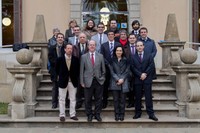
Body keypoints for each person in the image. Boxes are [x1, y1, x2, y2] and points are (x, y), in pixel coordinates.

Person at [131, 41, 158, 121]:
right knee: (138, 97)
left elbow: (151, 65)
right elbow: (132, 67)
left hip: (147, 79)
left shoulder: (149, 55)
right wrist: (140, 74)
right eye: (138, 46)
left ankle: (151, 114)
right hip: (137, 79)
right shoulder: (132, 56)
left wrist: (145, 74)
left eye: (141, 45)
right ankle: (138, 113)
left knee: (148, 97)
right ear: (135, 47)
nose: (139, 47)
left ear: (143, 46)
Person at [80, 40, 106, 122]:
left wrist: (102, 78)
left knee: (99, 99)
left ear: (96, 46)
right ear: (88, 46)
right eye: (90, 45)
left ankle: (97, 114)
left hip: (98, 81)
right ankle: (89, 114)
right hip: (87, 81)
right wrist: (82, 81)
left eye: (93, 45)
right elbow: (81, 70)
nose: (92, 46)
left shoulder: (100, 56)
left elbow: (103, 70)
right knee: (88, 99)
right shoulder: (84, 57)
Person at [56, 43, 80, 122]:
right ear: (65, 49)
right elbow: (56, 70)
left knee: (73, 99)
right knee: (62, 99)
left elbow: (78, 71)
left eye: (71, 49)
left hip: (73, 82)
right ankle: (62, 115)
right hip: (63, 82)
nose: (70, 50)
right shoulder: (60, 59)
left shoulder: (76, 59)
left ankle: (72, 114)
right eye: (68, 48)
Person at [109, 45, 130, 121]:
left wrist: (122, 79)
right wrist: (118, 79)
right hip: (115, 82)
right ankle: (117, 114)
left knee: (123, 100)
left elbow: (127, 71)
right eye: (117, 50)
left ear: (122, 52)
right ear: (115, 51)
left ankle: (122, 114)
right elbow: (111, 71)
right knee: (116, 100)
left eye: (120, 50)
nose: (119, 52)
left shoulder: (126, 60)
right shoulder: (112, 60)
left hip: (124, 82)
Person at [100, 30, 120, 109]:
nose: (111, 35)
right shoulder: (103, 45)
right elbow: (102, 56)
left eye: (112, 34)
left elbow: (120, 54)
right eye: (109, 34)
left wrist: (114, 63)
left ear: (114, 35)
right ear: (107, 36)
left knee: (117, 84)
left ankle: (117, 102)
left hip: (116, 68)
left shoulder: (118, 44)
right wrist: (108, 64)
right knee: (105, 86)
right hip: (106, 68)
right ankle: (104, 102)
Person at [48, 33, 65, 109]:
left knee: (64, 87)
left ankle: (65, 103)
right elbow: (51, 59)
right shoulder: (52, 48)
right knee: (55, 88)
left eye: (61, 37)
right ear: (56, 38)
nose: (60, 38)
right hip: (55, 70)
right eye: (59, 37)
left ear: (63, 39)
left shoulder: (66, 47)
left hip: (64, 70)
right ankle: (54, 103)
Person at [73, 32, 89, 109]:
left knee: (87, 88)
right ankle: (79, 102)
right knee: (79, 88)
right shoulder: (75, 47)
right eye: (81, 37)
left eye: (83, 37)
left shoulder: (89, 47)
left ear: (86, 38)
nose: (82, 39)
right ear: (78, 39)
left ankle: (87, 103)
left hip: (88, 70)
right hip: (78, 71)